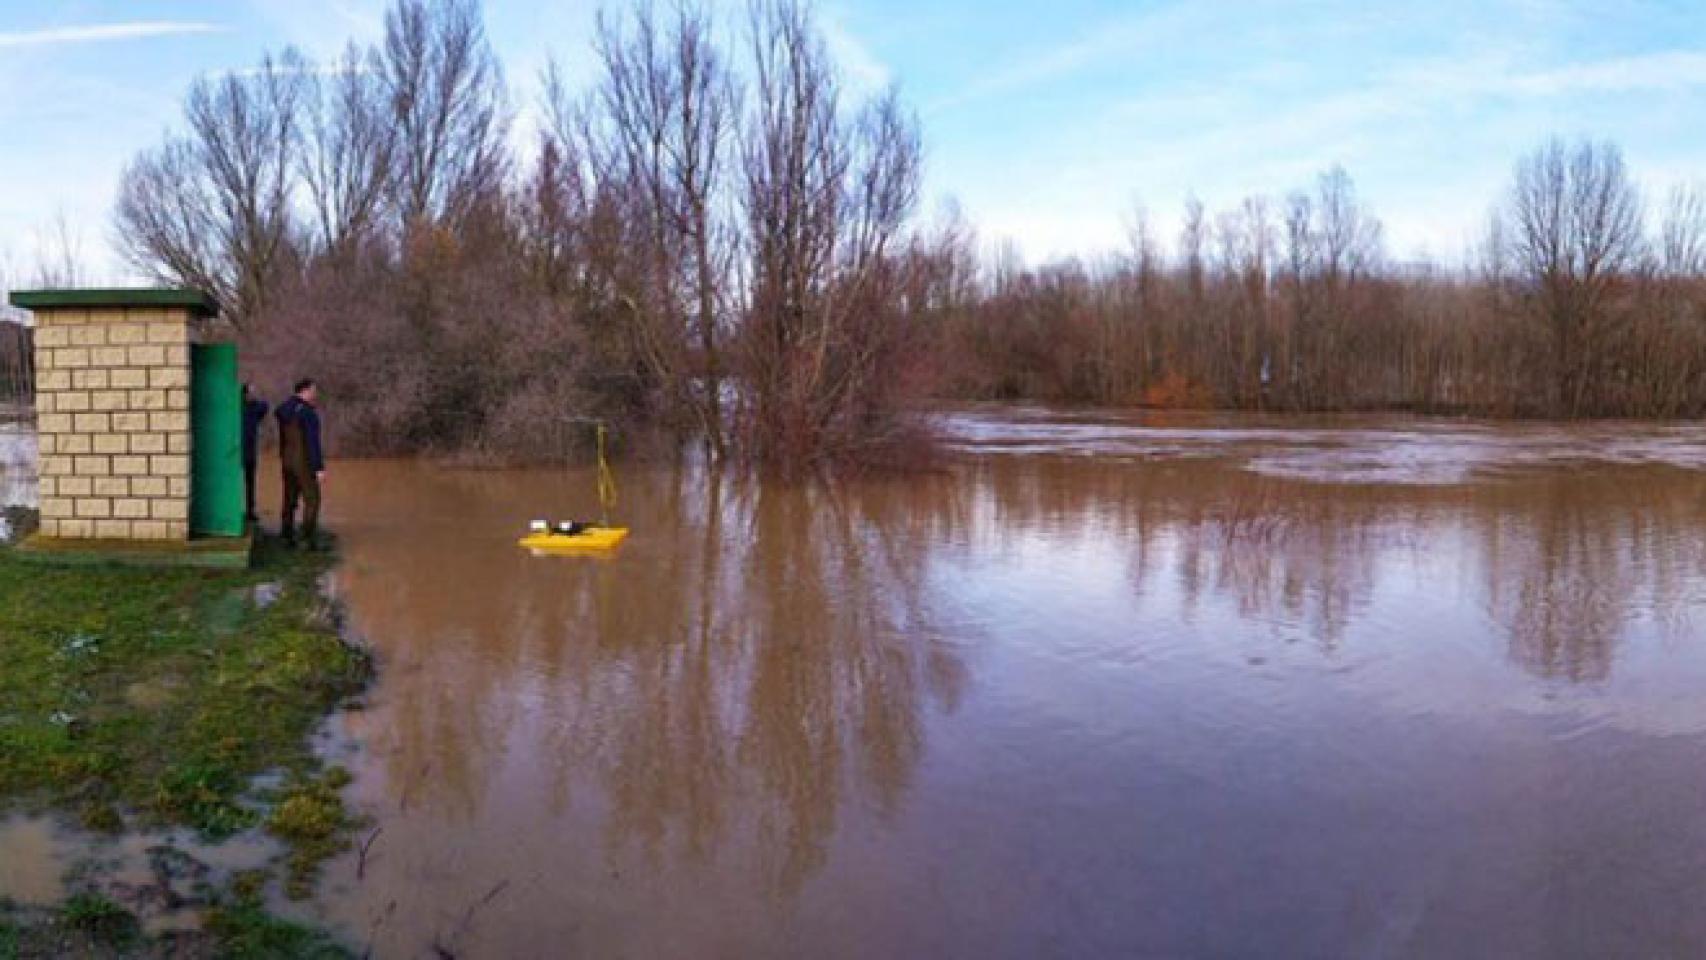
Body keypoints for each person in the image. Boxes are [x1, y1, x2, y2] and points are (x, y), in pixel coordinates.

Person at [275, 378, 326, 549]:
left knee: (289, 497)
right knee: (312, 499)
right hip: (304, 462)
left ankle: (286, 534)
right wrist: (318, 467)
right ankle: (307, 538)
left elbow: (278, 411)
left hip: (287, 459)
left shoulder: (284, 409)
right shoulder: (308, 413)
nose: (315, 394)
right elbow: (313, 442)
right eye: (313, 390)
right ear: (304, 391)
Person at [240, 383, 270, 526]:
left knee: (250, 483)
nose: (253, 395)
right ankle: (238, 510)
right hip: (236, 453)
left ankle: (250, 511)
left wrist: (253, 399)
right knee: (238, 484)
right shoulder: (238, 409)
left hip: (250, 453)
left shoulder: (254, 409)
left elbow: (265, 406)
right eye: (250, 393)